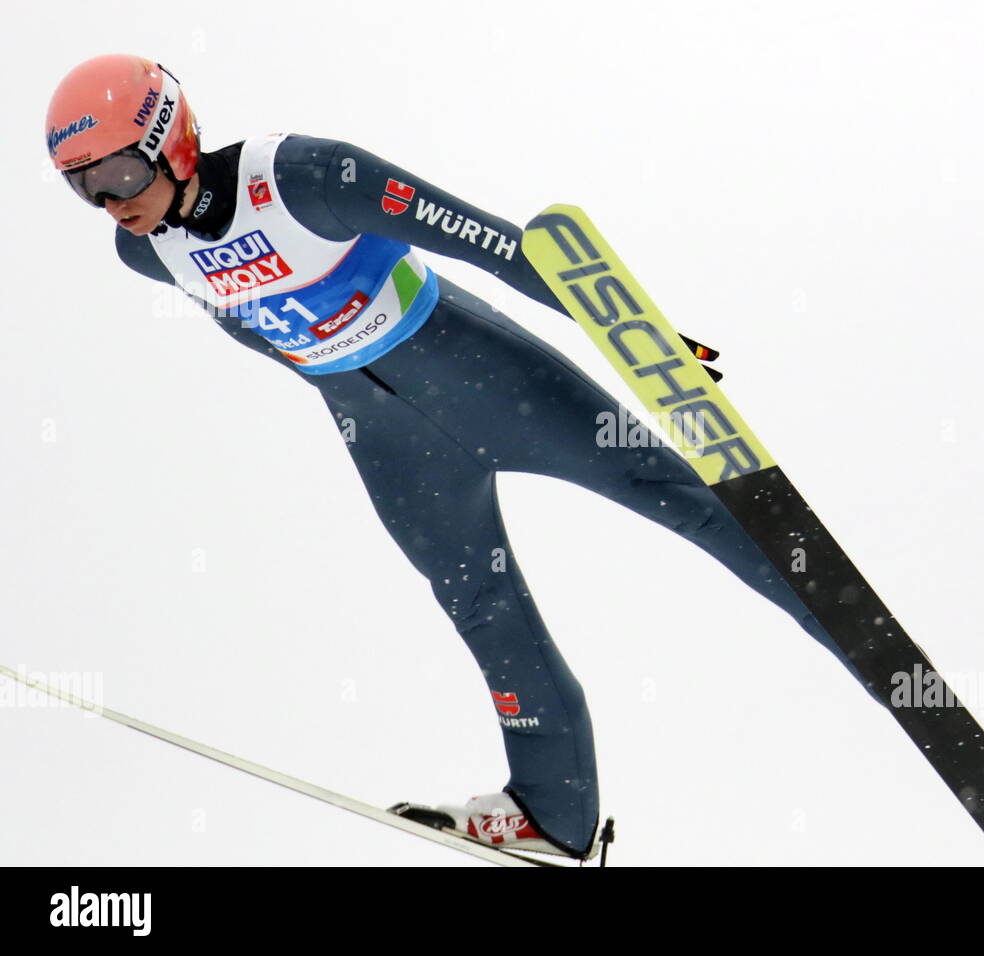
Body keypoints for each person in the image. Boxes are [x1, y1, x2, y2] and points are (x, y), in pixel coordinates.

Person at [46, 53, 879, 860]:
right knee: (481, 603)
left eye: (118, 172)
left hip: (483, 375)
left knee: (670, 494)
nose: (110, 203)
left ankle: (862, 636)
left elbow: (496, 246)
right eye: (84, 187)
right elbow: (262, 329)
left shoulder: (306, 177)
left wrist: (629, 330)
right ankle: (554, 813)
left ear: (171, 138)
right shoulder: (145, 254)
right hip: (390, 441)